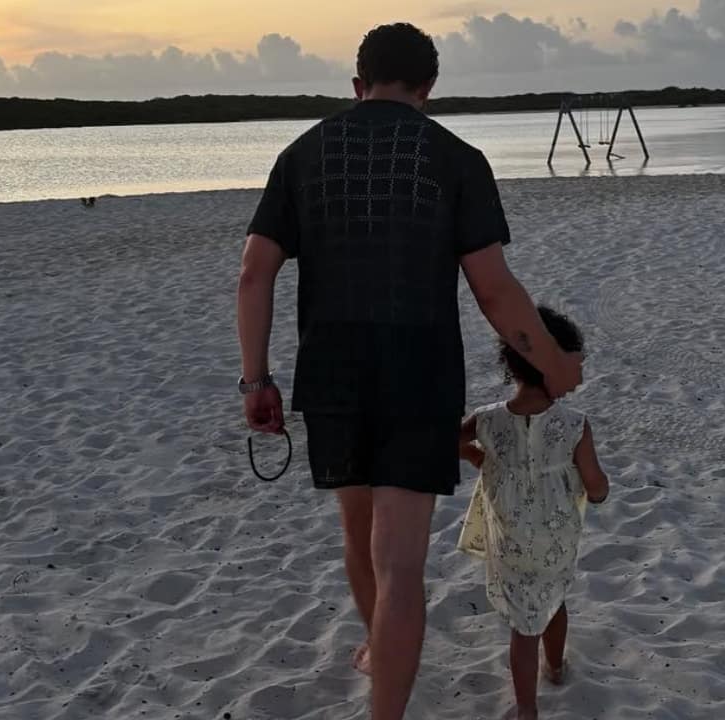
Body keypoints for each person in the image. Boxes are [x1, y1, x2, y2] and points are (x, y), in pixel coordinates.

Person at [235, 22, 582, 720]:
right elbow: (493, 288)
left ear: (357, 84)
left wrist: (256, 380)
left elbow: (253, 274)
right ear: (428, 88)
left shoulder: (302, 154)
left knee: (358, 538)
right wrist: (552, 362)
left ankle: (376, 645)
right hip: (418, 373)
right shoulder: (456, 157)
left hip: (332, 370)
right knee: (400, 565)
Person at [456, 306, 609, 720]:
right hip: (555, 541)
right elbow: (594, 482)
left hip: (510, 542)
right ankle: (551, 674)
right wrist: (599, 493)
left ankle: (529, 701)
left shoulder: (488, 420)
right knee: (553, 601)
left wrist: (476, 458)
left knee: (524, 621)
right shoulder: (574, 424)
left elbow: (449, 439)